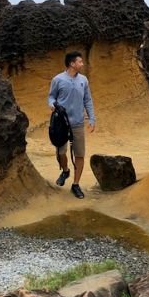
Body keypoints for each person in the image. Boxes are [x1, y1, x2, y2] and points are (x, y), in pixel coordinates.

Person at [48, 51, 96, 199]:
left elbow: (87, 99)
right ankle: (65, 170)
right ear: (72, 64)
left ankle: (75, 184)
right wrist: (51, 104)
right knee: (61, 152)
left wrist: (92, 119)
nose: (82, 64)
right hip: (61, 122)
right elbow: (51, 96)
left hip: (78, 123)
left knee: (79, 154)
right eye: (80, 62)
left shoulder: (83, 80)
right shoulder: (58, 80)